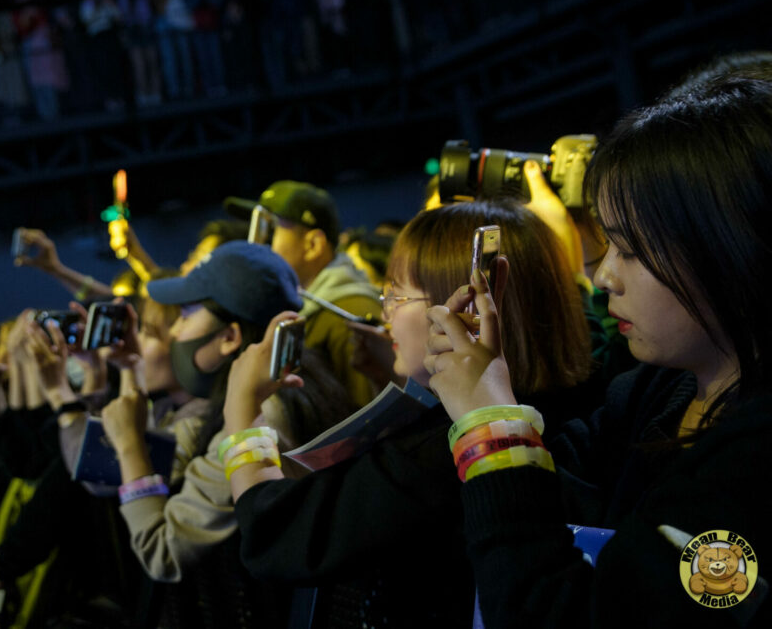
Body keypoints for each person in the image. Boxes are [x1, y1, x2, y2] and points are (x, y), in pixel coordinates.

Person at [425, 75, 772, 627]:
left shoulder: (756, 465)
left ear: (732, 246)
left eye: (630, 249)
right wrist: (483, 390)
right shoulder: (662, 386)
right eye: (606, 244)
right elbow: (551, 495)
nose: (604, 275)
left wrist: (489, 425)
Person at [224, 199, 598, 627]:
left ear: (467, 308)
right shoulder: (577, 406)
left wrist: (243, 412)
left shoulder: (441, 453)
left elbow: (277, 537)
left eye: (397, 296)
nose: (384, 315)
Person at [97, 240, 351, 584]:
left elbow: (163, 552)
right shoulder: (286, 388)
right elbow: (154, 469)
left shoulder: (258, 421)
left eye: (185, 316)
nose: (174, 332)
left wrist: (129, 446)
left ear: (230, 337)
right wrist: (130, 368)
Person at [225, 180, 382, 407]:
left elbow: (371, 418)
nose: (256, 247)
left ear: (313, 245)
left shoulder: (349, 312)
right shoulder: (302, 308)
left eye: (269, 232)